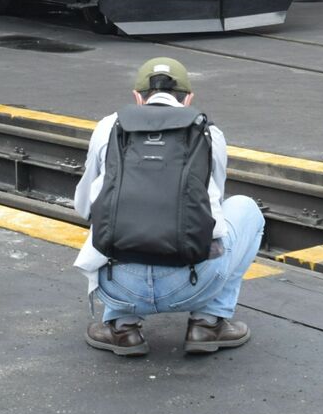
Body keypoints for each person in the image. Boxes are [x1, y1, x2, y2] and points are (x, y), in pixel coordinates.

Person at [73, 57, 265, 356]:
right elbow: (213, 213)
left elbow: (84, 206)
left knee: (104, 210)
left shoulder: (109, 127)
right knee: (245, 208)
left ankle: (122, 329)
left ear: (137, 97)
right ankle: (207, 323)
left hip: (119, 287)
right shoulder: (208, 132)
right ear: (188, 98)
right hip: (193, 281)